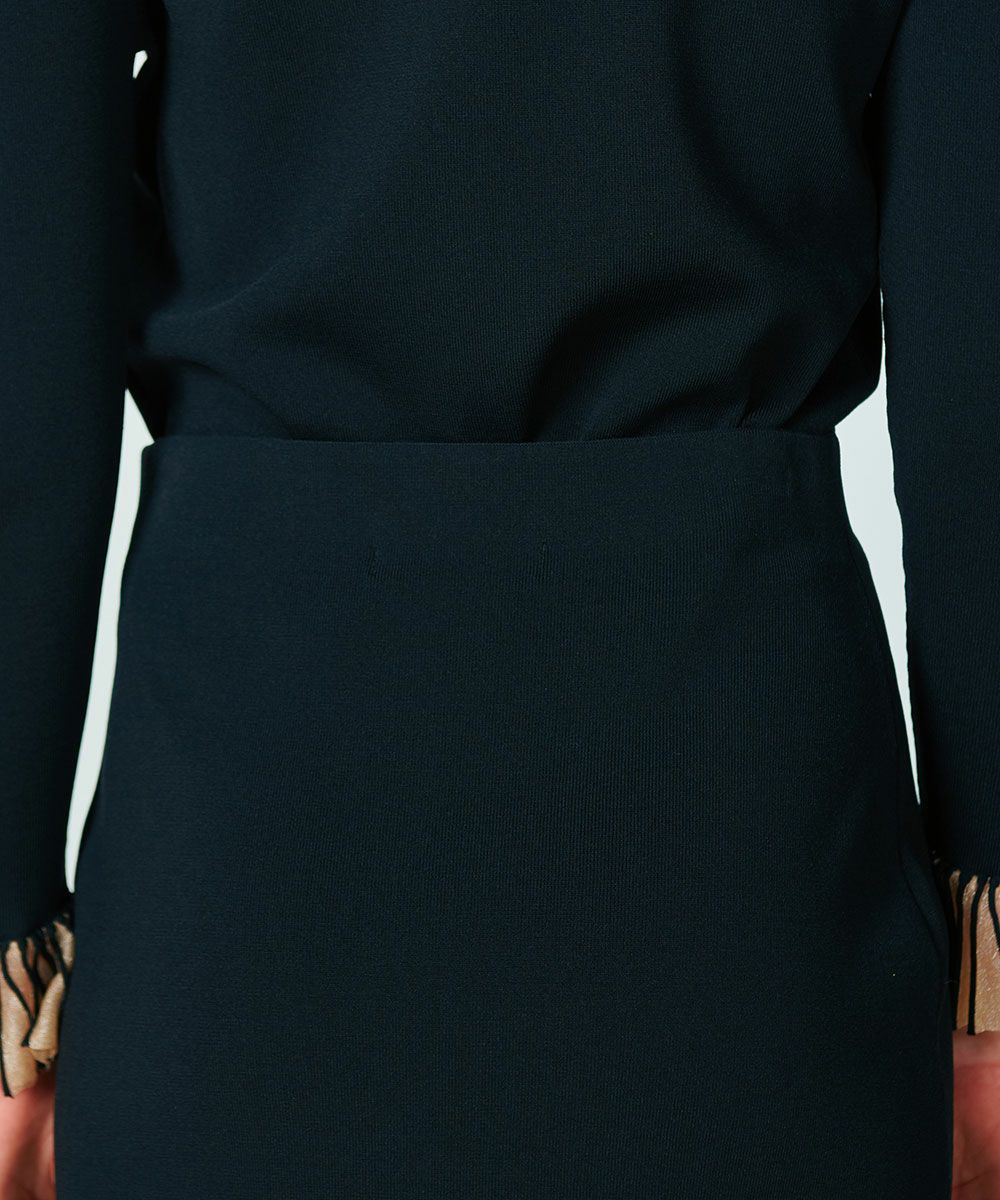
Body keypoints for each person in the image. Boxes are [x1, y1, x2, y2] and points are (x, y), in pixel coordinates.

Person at [1, 1, 998, 1197]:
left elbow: (25, 328)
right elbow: (977, 346)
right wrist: (988, 977)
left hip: (251, 841)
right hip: (746, 853)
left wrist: (13, 975)